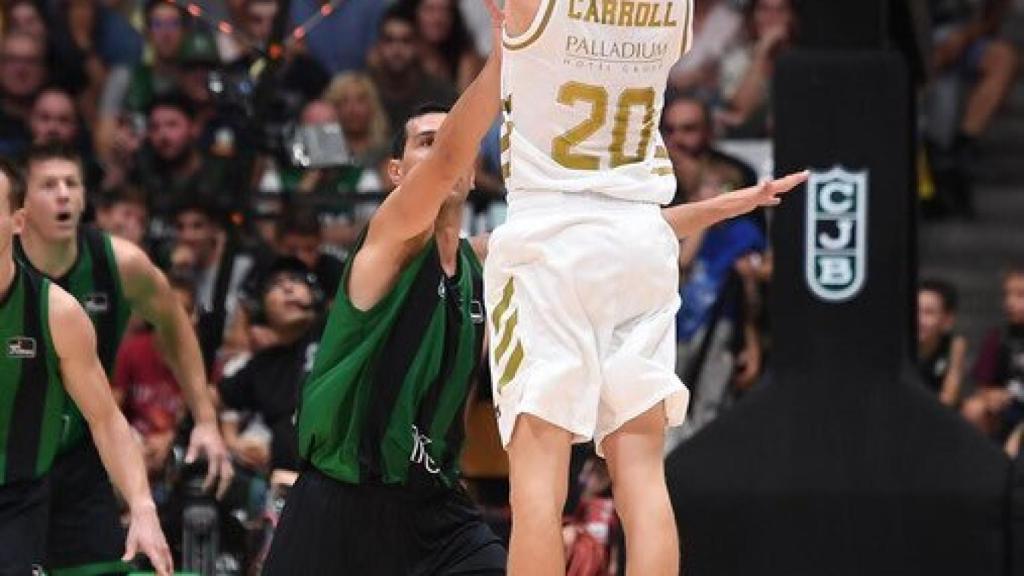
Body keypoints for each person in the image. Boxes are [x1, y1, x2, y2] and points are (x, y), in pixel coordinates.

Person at [492, 0, 807, 573]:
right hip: (641, 237)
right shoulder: (672, 10)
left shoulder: (534, 8)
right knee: (641, 476)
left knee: (537, 487)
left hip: (552, 239)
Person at [263, 3, 508, 573]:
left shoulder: (478, 262)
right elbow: (448, 160)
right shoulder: (390, 239)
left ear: (473, 174)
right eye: (427, 143)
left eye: (452, 144)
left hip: (432, 506)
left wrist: (706, 212)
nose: (446, 151)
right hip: (341, 502)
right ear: (396, 173)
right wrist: (503, 56)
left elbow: (581, 239)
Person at [13, 143, 231, 574]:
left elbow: (174, 323)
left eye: (72, 184)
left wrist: (206, 419)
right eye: (49, 185)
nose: (64, 194)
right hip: (12, 459)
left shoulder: (121, 263)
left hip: (83, 451)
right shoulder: (5, 268)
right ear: (20, 206)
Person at [0, 158, 173, 576]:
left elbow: (106, 419)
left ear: (17, 222)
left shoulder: (55, 312)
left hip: (16, 500)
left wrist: (142, 506)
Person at [370, 3, 458, 130]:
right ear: (379, 46)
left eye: (406, 41)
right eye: (389, 40)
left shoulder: (441, 95)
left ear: (417, 45)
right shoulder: (364, 92)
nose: (397, 49)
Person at [961, 268, 1024, 443]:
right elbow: (982, 385)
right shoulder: (998, 336)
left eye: (1020, 295)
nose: (1010, 302)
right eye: (1007, 295)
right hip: (1012, 407)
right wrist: (990, 395)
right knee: (974, 408)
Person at [917, 279, 967, 407]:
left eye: (928, 313)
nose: (919, 319)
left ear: (947, 321)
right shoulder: (897, 347)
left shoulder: (954, 346)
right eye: (915, 311)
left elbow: (949, 399)